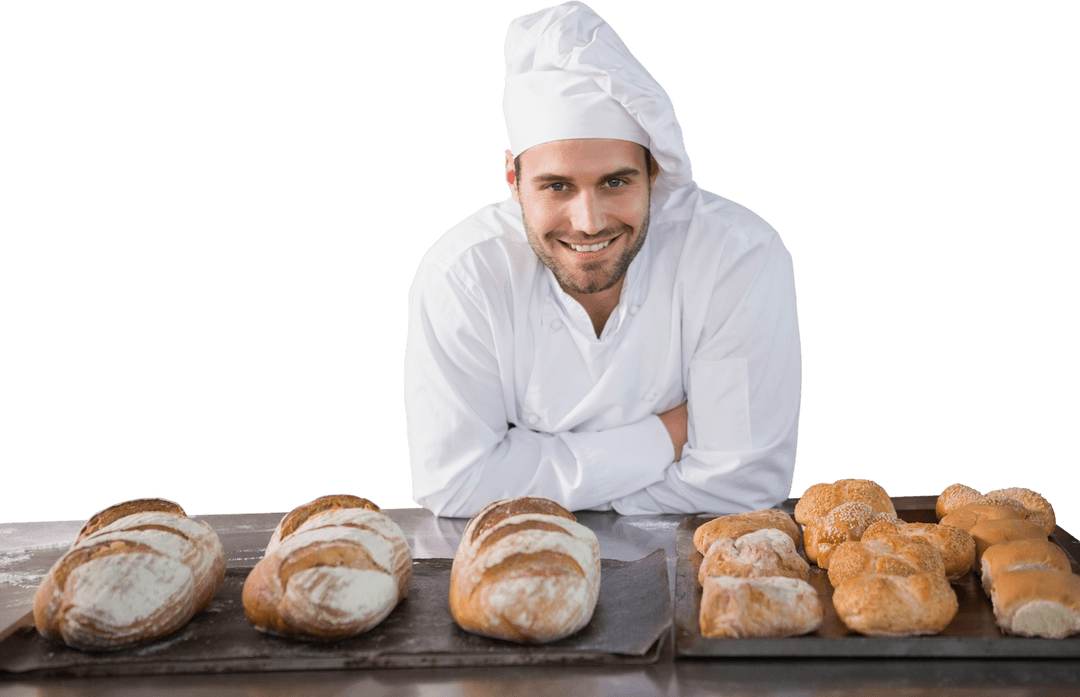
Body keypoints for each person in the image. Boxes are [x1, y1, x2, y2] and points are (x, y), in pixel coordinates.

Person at [403, 1, 801, 517]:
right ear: (514, 181)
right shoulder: (463, 274)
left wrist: (523, 475)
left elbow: (743, 484)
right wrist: (668, 434)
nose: (588, 221)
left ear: (653, 174)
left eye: (615, 182)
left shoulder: (735, 256)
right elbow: (453, 485)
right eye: (557, 186)